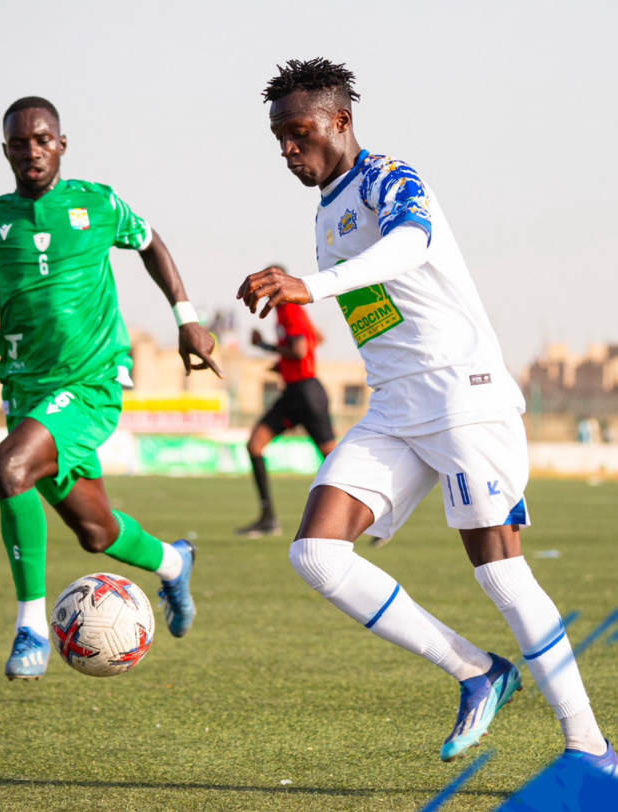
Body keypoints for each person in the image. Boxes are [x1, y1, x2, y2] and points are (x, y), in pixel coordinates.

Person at [237, 59, 616, 771]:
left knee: (500, 574)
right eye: (278, 139)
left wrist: (309, 285)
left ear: (340, 122)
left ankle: (589, 747)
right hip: (395, 408)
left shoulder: (388, 175)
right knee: (316, 553)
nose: (288, 150)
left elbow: (412, 243)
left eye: (299, 133)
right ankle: (477, 671)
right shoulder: (325, 209)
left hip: (461, 395)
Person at [0, 97, 221, 681]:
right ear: (6, 151)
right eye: (20, 143)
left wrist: (186, 316)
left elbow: (150, 242)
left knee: (10, 467)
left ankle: (30, 628)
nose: (32, 151)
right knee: (96, 532)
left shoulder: (97, 203)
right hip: (26, 393)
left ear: (62, 145)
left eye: (42, 139)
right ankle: (173, 562)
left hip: (90, 385)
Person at [237, 268, 337, 538]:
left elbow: (299, 349)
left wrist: (266, 347)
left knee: (335, 459)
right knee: (255, 444)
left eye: (262, 286)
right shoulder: (285, 311)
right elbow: (316, 339)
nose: (259, 291)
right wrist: (283, 366)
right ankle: (268, 518)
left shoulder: (290, 308)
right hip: (294, 391)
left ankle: (380, 517)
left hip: (307, 392)